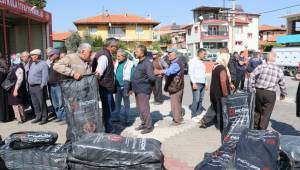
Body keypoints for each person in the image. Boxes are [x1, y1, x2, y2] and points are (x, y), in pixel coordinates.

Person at [250, 52, 287, 130]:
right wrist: (283, 94)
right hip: (270, 93)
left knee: (257, 111)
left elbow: (252, 76)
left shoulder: (261, 67)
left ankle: (254, 128)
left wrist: (252, 87)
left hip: (259, 91)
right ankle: (262, 131)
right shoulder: (279, 70)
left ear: (266, 58)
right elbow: (282, 83)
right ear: (274, 59)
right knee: (266, 114)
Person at [199, 55, 234, 134]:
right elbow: (222, 82)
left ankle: (204, 120)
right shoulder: (222, 68)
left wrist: (230, 84)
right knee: (220, 110)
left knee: (214, 108)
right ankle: (220, 126)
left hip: (214, 92)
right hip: (220, 94)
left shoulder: (215, 67)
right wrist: (226, 95)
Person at [92, 38, 119, 133]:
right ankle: (108, 129)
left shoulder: (105, 54)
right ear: (111, 47)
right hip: (104, 88)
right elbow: (98, 73)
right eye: (117, 47)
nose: (117, 49)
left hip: (105, 87)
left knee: (109, 108)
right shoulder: (104, 56)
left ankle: (107, 127)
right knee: (106, 109)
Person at [155, 48, 185, 126]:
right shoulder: (175, 62)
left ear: (175, 54)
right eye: (168, 53)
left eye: (170, 53)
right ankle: (179, 118)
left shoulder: (176, 64)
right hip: (178, 87)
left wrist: (159, 71)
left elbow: (169, 71)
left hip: (176, 87)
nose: (168, 55)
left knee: (175, 104)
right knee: (178, 104)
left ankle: (177, 120)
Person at [132, 45, 156, 134]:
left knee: (144, 109)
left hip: (143, 90)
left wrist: (146, 85)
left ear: (142, 53)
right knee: (140, 109)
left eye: (137, 51)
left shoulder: (147, 63)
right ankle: (144, 123)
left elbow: (152, 78)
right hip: (137, 89)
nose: (135, 52)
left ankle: (149, 126)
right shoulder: (140, 62)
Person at [113, 49, 135, 125]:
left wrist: (130, 89)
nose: (117, 58)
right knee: (117, 103)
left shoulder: (131, 64)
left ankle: (127, 118)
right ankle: (117, 117)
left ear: (124, 56)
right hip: (117, 86)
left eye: (119, 56)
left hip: (125, 87)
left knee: (126, 103)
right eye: (117, 56)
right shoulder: (117, 62)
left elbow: (132, 77)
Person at [28, 49, 49, 125]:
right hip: (31, 86)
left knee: (41, 103)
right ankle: (38, 116)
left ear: (37, 56)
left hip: (38, 87)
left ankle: (44, 118)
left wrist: (42, 86)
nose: (31, 57)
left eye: (33, 55)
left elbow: (45, 76)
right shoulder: (32, 64)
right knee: (35, 103)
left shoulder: (43, 64)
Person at [188, 48, 208, 123]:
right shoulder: (193, 61)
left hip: (202, 83)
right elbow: (190, 72)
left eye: (205, 54)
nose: (205, 55)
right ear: (199, 53)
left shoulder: (202, 62)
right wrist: (193, 83)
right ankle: (193, 115)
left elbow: (204, 73)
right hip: (196, 83)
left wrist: (206, 83)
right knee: (196, 99)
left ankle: (198, 113)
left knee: (200, 99)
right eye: (204, 54)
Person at [7, 54, 27, 124]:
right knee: (14, 104)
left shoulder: (19, 67)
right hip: (12, 87)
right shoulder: (13, 66)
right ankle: (18, 117)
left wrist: (16, 90)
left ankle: (21, 118)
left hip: (16, 88)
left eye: (13, 59)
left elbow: (20, 79)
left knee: (18, 104)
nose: (12, 60)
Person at [48, 49, 66, 122]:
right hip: (52, 86)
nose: (50, 56)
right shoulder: (52, 63)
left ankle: (64, 118)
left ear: (56, 55)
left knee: (61, 103)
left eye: (52, 55)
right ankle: (59, 117)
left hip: (58, 85)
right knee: (55, 104)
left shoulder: (60, 63)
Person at [0, 52, 13, 122]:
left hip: (2, 87)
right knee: (7, 102)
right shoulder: (5, 66)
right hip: (6, 86)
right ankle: (9, 116)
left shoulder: (1, 69)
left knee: (3, 103)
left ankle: (4, 118)